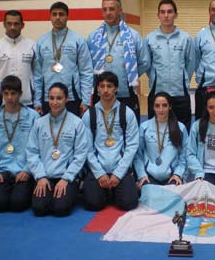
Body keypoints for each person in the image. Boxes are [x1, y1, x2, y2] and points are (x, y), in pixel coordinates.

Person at [26, 82, 89, 217]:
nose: (55, 102)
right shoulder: (39, 123)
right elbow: (32, 152)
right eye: (51, 98)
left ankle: (75, 187)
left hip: (66, 176)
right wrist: (41, 177)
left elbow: (80, 155)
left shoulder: (77, 123)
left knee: (60, 209)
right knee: (39, 209)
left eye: (59, 98)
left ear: (67, 99)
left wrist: (66, 178)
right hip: (46, 175)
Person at [0, 75, 40, 212]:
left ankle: (27, 188)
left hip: (24, 170)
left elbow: (38, 147)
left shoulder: (33, 116)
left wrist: (27, 169)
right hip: (3, 170)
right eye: (6, 94)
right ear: (2, 94)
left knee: (18, 205)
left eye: (13, 93)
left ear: (20, 94)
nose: (10, 98)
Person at [82, 71, 139, 211]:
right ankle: (105, 190)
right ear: (97, 89)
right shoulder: (89, 114)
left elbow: (132, 146)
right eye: (102, 86)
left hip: (119, 168)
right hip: (98, 169)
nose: (106, 90)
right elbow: (86, 148)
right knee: (92, 204)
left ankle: (116, 189)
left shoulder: (127, 113)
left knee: (129, 203)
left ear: (116, 88)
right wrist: (99, 173)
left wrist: (118, 174)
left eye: (109, 86)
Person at [88, 0, 150, 123]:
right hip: (101, 94)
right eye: (104, 9)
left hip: (126, 93)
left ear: (120, 11)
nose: (108, 13)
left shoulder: (133, 36)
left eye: (111, 9)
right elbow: (87, 66)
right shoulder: (93, 38)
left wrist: (130, 76)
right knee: (101, 129)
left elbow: (145, 62)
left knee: (129, 130)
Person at [33, 1, 93, 117]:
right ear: (50, 17)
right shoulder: (41, 41)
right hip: (48, 97)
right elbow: (37, 74)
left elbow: (86, 72)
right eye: (54, 14)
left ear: (67, 16)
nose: (57, 18)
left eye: (61, 14)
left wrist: (85, 100)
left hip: (72, 97)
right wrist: (37, 100)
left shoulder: (78, 40)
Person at [145, 0, 195, 131]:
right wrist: (154, 78)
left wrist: (183, 79)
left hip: (179, 93)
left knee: (182, 130)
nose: (166, 15)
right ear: (158, 15)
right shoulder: (150, 39)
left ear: (176, 14)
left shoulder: (185, 38)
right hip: (157, 92)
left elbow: (191, 63)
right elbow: (147, 64)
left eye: (169, 12)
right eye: (162, 12)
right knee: (156, 131)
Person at [0, 10, 35, 122]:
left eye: (16, 24)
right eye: (9, 23)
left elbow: (38, 76)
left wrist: (38, 101)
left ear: (22, 25)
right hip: (3, 102)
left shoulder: (32, 46)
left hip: (27, 102)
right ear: (4, 24)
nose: (12, 27)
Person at [134, 92, 188, 187]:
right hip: (149, 175)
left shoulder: (180, 128)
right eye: (157, 106)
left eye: (164, 105)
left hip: (172, 176)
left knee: (171, 197)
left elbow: (184, 156)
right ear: (153, 107)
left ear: (170, 107)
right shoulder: (144, 127)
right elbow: (138, 155)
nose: (161, 109)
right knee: (150, 196)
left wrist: (178, 174)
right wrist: (141, 175)